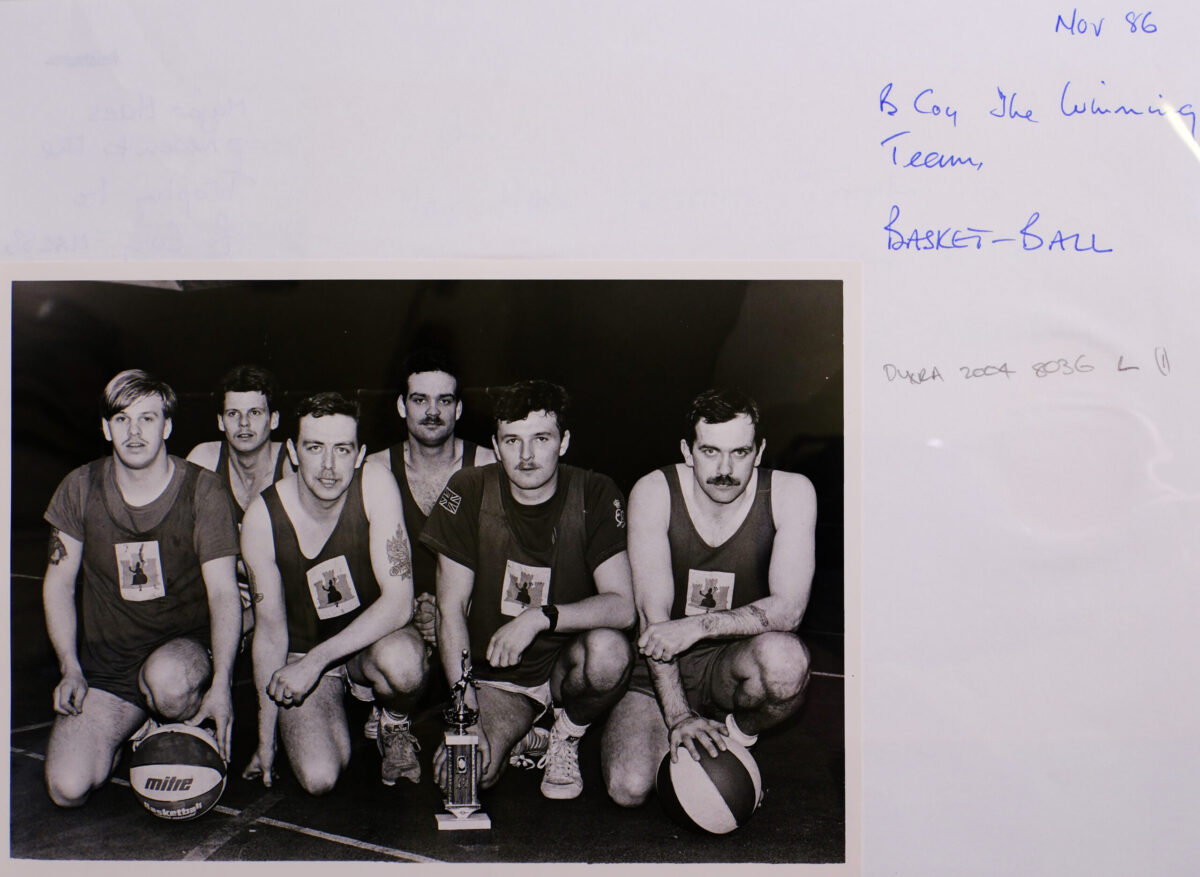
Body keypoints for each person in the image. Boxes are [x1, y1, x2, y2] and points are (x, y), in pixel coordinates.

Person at [601, 388, 816, 807]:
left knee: (786, 662)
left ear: (759, 451)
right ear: (687, 450)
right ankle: (683, 725)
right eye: (710, 451)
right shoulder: (655, 490)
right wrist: (678, 715)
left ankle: (734, 736)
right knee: (628, 789)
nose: (724, 469)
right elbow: (653, 621)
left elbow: (789, 610)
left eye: (739, 452)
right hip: (658, 667)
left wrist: (699, 625)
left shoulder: (792, 492)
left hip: (730, 664)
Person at [422, 380, 635, 800]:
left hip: (562, 669)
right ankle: (525, 733)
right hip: (498, 678)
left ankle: (566, 732)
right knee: (464, 777)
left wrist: (538, 617)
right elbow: (450, 609)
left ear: (564, 441)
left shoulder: (594, 491)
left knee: (611, 652)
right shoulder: (468, 489)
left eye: (541, 439)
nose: (526, 455)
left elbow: (623, 606)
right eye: (512, 440)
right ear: (496, 446)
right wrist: (467, 714)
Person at [41, 369, 241, 808]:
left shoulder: (202, 490)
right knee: (66, 788)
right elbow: (58, 582)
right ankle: (134, 725)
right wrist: (70, 667)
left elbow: (225, 593)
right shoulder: (80, 487)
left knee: (167, 682)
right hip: (110, 664)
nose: (134, 432)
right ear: (105, 427)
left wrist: (222, 684)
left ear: (167, 426)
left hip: (181, 652)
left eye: (148, 419)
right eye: (122, 419)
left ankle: (181, 716)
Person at [239, 392, 428, 791]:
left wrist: (317, 661)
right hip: (303, 653)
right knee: (319, 779)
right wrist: (265, 738)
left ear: (359, 455)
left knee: (405, 662)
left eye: (342, 450)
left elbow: (398, 604)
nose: (328, 466)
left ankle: (392, 721)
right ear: (292, 451)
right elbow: (270, 631)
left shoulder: (375, 484)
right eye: (314, 448)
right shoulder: (262, 517)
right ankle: (335, 706)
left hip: (367, 646)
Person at [364, 349, 494, 659]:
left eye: (444, 400)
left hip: (474, 622)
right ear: (401, 405)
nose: (432, 411)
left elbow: (503, 560)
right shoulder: (375, 469)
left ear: (458, 409)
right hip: (397, 623)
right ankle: (393, 709)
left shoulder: (488, 465)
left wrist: (454, 611)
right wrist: (407, 611)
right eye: (420, 400)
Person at [187, 364, 294, 635]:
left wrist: (247, 616)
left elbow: (298, 567)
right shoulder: (204, 461)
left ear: (274, 419)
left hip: (285, 601)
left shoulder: (291, 465)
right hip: (219, 595)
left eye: (255, 413)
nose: (244, 424)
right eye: (233, 413)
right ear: (221, 421)